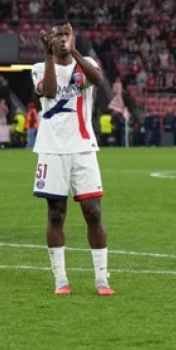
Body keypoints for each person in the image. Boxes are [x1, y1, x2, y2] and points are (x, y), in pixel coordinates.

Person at [32, 23, 112, 295]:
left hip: (83, 148)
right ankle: (61, 280)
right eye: (58, 36)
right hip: (52, 149)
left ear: (73, 38)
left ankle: (102, 279)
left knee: (94, 212)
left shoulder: (85, 62)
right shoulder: (39, 68)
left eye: (67, 35)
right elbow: (51, 91)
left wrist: (76, 53)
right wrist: (48, 56)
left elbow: (99, 81)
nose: (63, 39)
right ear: (50, 41)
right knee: (56, 213)